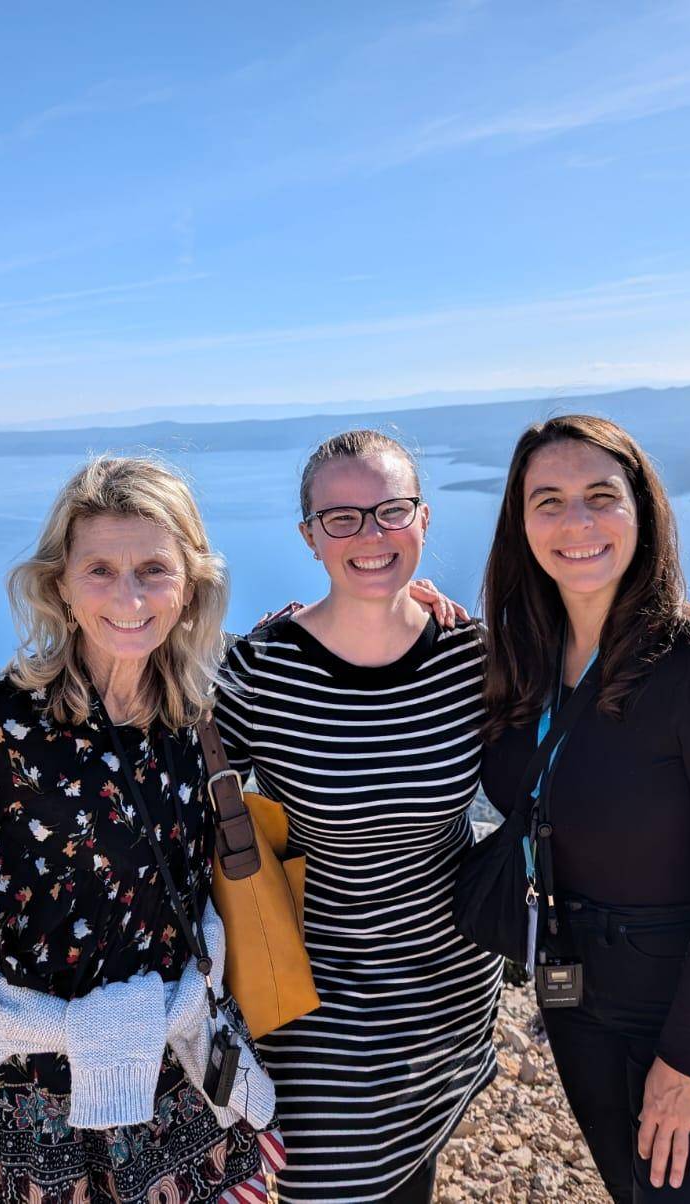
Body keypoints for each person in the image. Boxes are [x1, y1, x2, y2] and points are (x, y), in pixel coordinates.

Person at [0, 455, 283, 1204]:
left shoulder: (206, 713)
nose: (128, 597)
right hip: (36, 1091)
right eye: (100, 569)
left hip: (175, 1067)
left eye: (154, 569)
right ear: (60, 585)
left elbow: (330, 637)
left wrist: (396, 591)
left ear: (190, 584)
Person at [477, 415, 690, 1203]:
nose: (575, 522)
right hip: (574, 990)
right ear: (519, 523)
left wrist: (685, 1066)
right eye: (547, 501)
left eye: (599, 496)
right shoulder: (522, 661)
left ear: (643, 511)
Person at [211, 429, 504, 1203]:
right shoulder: (263, 668)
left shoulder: (471, 659)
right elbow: (170, 790)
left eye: (390, 511)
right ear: (309, 537)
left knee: (409, 1176)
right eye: (341, 519)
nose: (370, 535)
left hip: (444, 984)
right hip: (315, 993)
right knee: (327, 1185)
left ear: (424, 520)